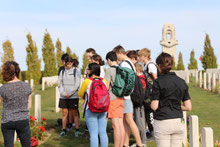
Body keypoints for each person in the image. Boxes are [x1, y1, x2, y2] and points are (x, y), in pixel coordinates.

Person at [150, 52, 192, 147]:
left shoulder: (158, 82)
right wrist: (175, 105)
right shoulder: (181, 82)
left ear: (159, 65)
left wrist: (150, 101)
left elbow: (154, 106)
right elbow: (188, 107)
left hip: (162, 121)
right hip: (178, 121)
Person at [113, 45, 143, 147]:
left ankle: (139, 143)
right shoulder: (130, 63)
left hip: (125, 97)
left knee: (129, 120)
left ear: (120, 53)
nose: (117, 58)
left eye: (117, 55)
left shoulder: (123, 64)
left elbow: (122, 81)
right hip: (129, 96)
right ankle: (125, 144)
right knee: (127, 122)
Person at [0, 61, 32, 147]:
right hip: (22, 120)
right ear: (18, 71)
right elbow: (29, 104)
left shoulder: (2, 88)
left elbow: (3, 102)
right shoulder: (26, 86)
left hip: (7, 120)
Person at [78, 63, 109, 147]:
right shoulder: (104, 81)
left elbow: (80, 94)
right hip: (103, 109)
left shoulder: (87, 81)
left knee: (94, 134)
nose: (87, 71)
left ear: (91, 70)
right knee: (103, 132)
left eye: (88, 69)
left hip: (91, 109)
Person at [105, 51, 125, 147]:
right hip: (121, 98)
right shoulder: (122, 69)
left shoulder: (109, 70)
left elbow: (106, 87)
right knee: (120, 125)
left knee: (115, 126)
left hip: (113, 99)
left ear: (109, 59)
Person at [58, 56, 81, 137]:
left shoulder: (76, 71)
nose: (69, 65)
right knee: (64, 113)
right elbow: (59, 83)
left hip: (73, 96)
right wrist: (64, 93)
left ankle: (77, 130)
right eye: (67, 64)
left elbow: (77, 84)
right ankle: (64, 130)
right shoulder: (62, 72)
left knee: (74, 113)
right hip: (63, 96)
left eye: (70, 63)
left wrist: (70, 93)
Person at [138, 48, 158, 138]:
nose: (139, 58)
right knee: (147, 113)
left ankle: (154, 133)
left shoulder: (150, 66)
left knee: (150, 114)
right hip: (147, 93)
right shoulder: (146, 65)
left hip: (151, 93)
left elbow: (155, 78)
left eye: (140, 56)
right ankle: (150, 131)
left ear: (145, 56)